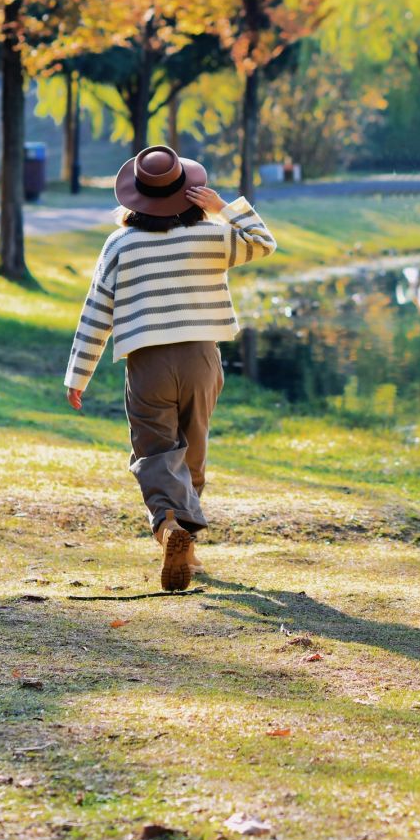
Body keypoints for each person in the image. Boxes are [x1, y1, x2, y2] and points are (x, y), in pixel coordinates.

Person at [63, 145, 277, 590]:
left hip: (149, 361)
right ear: (187, 191)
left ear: (135, 196)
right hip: (201, 357)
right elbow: (263, 243)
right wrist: (222, 207)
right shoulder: (210, 237)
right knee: (192, 448)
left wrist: (78, 374)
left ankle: (169, 530)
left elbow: (97, 310)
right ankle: (188, 548)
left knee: (156, 453)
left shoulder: (120, 243)